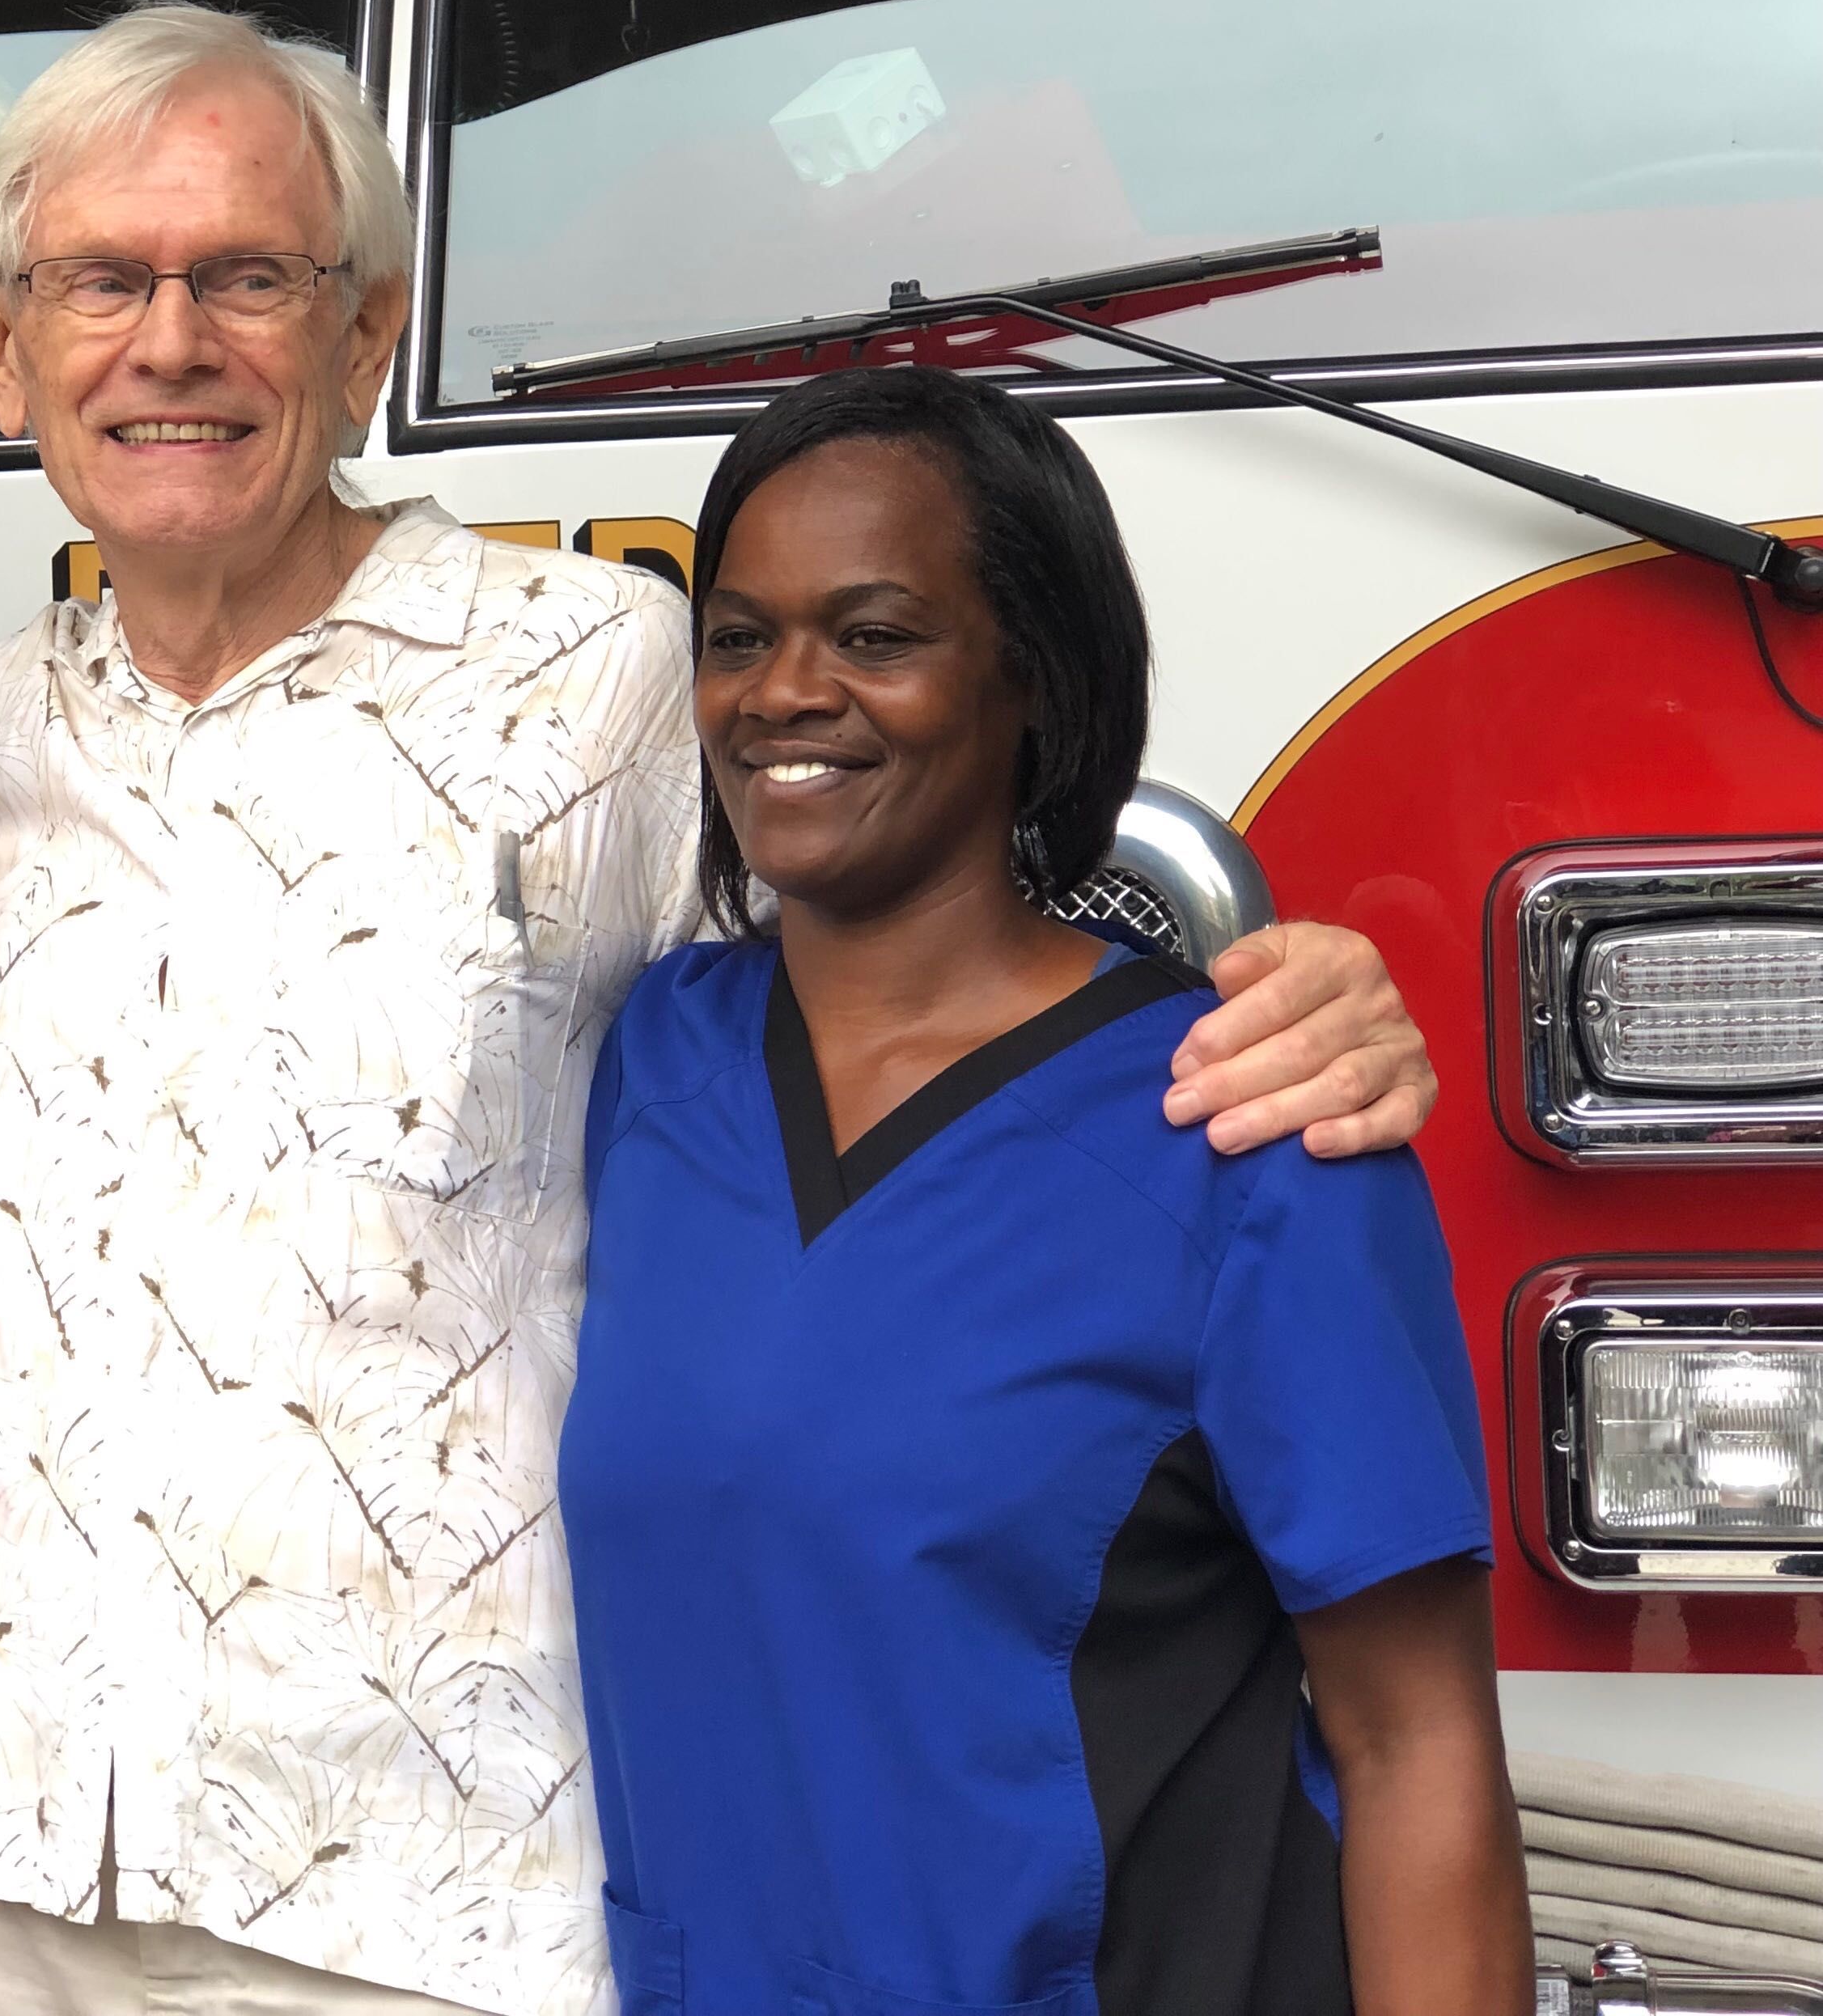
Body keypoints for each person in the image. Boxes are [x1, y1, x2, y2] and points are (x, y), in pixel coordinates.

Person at [0, 0, 1441, 2016]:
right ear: (0, 345)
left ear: (365, 330)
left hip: (449, 1899)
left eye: (246, 276)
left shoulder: (611, 683)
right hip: (22, 1894)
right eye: (101, 282)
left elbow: (935, 906)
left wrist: (1280, 991)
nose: (173, 343)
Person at [558, 366, 1528, 2016]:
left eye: (876, 635)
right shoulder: (648, 1059)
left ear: (1035, 677)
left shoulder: (1250, 1131)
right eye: (739, 637)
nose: (786, 692)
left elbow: (1415, 1742)